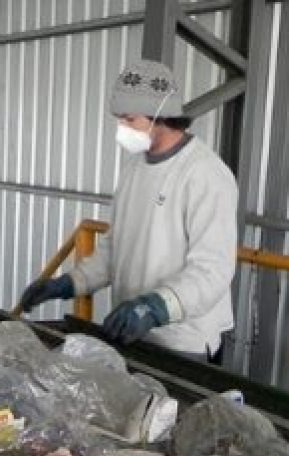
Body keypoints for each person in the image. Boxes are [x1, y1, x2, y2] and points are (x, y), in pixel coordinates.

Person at [20, 59, 238, 364]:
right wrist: (71, 283)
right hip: (133, 334)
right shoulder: (134, 168)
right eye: (119, 119)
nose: (122, 129)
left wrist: (156, 307)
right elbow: (114, 248)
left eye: (130, 119)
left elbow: (213, 271)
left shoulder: (205, 174)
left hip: (182, 342)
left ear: (161, 115)